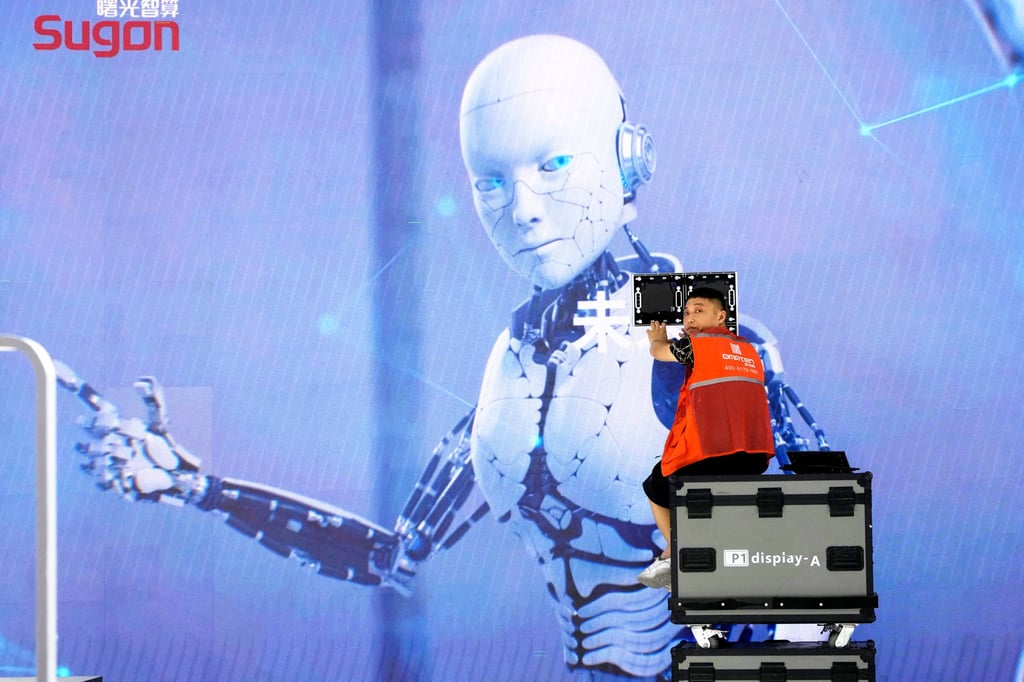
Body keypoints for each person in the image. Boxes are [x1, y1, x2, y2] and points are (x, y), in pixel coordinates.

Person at [56, 34, 828, 681]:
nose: (522, 209)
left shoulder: (696, 329)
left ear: (627, 160)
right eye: (490, 182)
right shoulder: (517, 359)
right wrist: (197, 487)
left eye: (553, 165)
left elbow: (805, 619)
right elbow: (390, 556)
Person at [637, 287, 775, 590]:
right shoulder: (750, 351)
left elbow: (660, 353)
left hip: (713, 454)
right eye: (686, 313)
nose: (689, 318)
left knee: (656, 486)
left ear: (721, 315)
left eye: (698, 310)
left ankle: (674, 552)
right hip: (753, 457)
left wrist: (657, 338)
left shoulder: (698, 344)